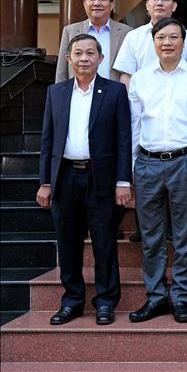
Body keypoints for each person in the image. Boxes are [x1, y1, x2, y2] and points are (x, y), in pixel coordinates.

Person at [37, 34, 132, 326]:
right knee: (68, 242)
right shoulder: (57, 92)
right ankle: (72, 301)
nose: (84, 58)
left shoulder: (115, 92)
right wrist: (45, 182)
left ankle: (105, 301)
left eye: (90, 53)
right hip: (64, 177)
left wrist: (122, 182)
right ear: (69, 59)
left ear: (100, 59)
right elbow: (48, 139)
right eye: (78, 53)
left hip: (100, 178)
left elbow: (123, 139)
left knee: (104, 243)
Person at [127, 18, 187, 324]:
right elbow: (134, 126)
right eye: (161, 37)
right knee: (151, 235)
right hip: (147, 162)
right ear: (153, 42)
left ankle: (181, 297)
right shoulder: (139, 79)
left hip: (186, 160)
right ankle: (156, 297)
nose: (167, 43)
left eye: (174, 37)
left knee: (185, 233)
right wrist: (132, 167)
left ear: (184, 41)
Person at [113, 0, 187, 88]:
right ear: (147, 5)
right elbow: (126, 75)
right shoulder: (133, 36)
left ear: (174, 6)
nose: (159, 3)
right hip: (142, 101)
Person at [55, 0, 132, 83]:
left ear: (112, 4)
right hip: (78, 94)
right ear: (84, 3)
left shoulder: (127, 32)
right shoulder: (70, 31)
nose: (96, 3)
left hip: (114, 95)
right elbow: (62, 71)